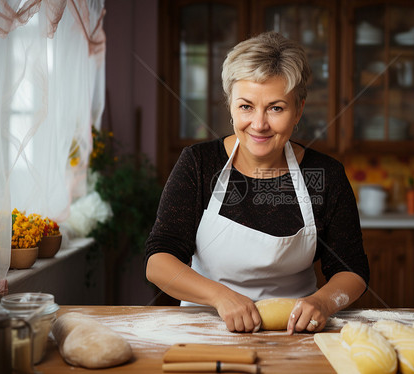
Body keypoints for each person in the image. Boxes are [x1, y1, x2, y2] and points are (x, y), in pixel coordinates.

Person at [145, 31, 369, 334]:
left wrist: (323, 303)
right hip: (207, 328)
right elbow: (159, 261)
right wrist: (220, 297)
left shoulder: (325, 175)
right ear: (230, 106)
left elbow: (351, 269)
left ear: (298, 110)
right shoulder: (199, 164)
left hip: (295, 334)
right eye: (246, 106)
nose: (259, 124)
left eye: (276, 108)